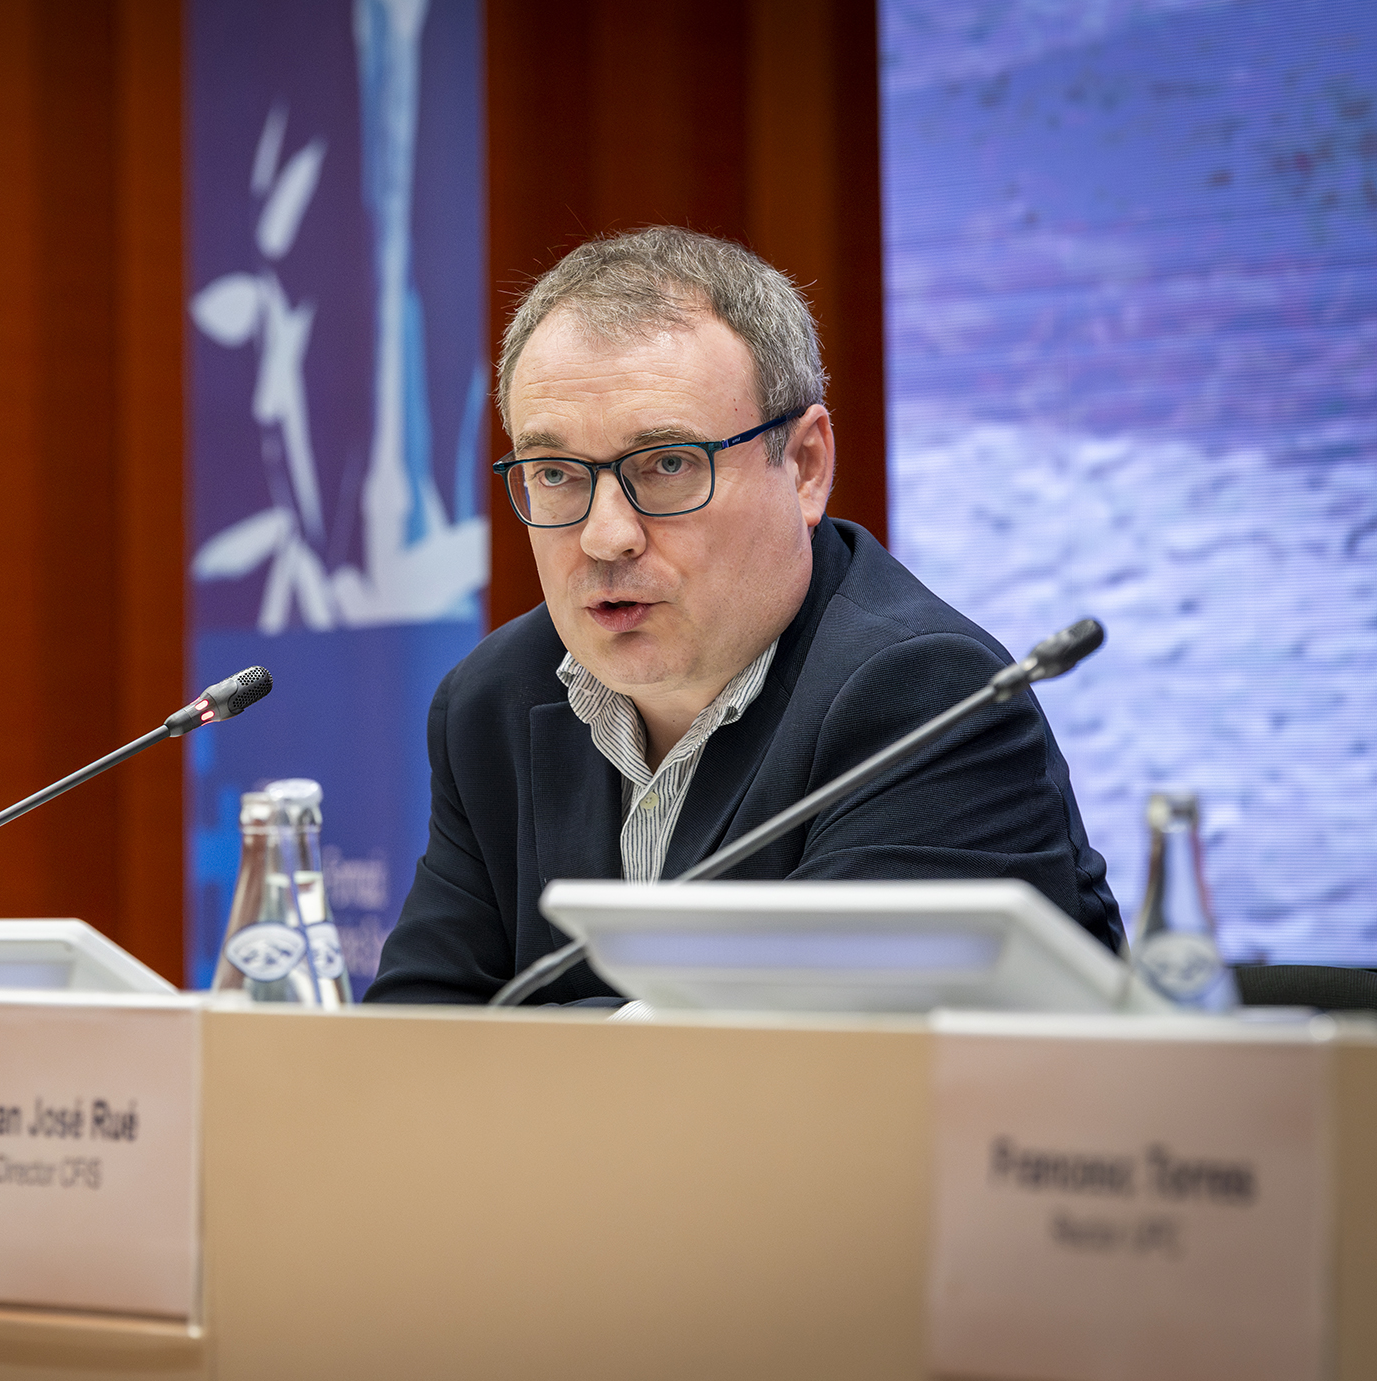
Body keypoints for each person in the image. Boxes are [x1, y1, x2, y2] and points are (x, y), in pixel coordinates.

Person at [364, 226, 1120, 1006]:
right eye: (555, 472)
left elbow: (824, 1055)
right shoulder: (493, 700)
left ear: (805, 465)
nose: (605, 536)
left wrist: (523, 1038)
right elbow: (410, 1033)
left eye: (667, 464)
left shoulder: (928, 698)